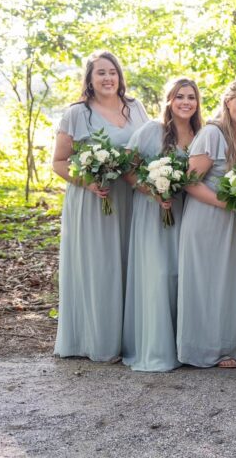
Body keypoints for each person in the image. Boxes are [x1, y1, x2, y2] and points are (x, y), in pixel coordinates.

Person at [52, 51, 149, 361]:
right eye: (100, 73)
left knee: (129, 263)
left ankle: (129, 339)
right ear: (90, 80)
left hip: (132, 197)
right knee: (100, 266)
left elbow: (148, 148)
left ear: (119, 76)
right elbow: (59, 162)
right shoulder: (77, 113)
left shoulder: (135, 108)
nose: (108, 78)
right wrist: (88, 182)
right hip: (94, 198)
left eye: (112, 72)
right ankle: (98, 341)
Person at [176, 78, 236, 368]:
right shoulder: (213, 133)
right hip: (207, 219)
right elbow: (189, 182)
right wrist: (227, 203)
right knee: (207, 282)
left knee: (231, 282)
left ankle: (227, 345)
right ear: (228, 102)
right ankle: (202, 349)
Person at [122, 78, 202, 372]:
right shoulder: (150, 131)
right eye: (179, 96)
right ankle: (156, 348)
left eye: (191, 97)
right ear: (169, 100)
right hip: (152, 213)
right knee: (157, 275)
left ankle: (185, 345)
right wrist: (153, 192)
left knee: (180, 275)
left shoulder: (201, 135)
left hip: (186, 212)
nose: (185, 102)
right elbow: (129, 170)